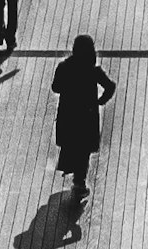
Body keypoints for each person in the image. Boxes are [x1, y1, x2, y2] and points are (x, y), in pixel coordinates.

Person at [52, 36, 116, 194]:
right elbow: (110, 86)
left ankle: (74, 174)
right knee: (84, 149)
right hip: (87, 115)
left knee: (71, 144)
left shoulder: (64, 67)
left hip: (68, 114)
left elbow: (56, 87)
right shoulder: (93, 70)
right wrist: (100, 101)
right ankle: (79, 182)